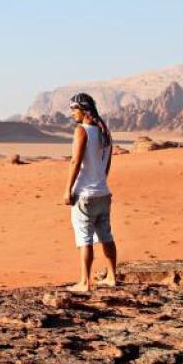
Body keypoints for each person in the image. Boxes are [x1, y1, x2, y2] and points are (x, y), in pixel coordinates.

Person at [63, 93, 117, 292]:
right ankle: (112, 276)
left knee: (84, 238)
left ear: (83, 110)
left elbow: (75, 162)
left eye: (74, 109)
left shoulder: (82, 131)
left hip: (84, 194)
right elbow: (107, 165)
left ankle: (84, 282)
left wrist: (67, 190)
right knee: (106, 235)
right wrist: (100, 182)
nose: (72, 114)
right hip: (103, 193)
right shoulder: (105, 131)